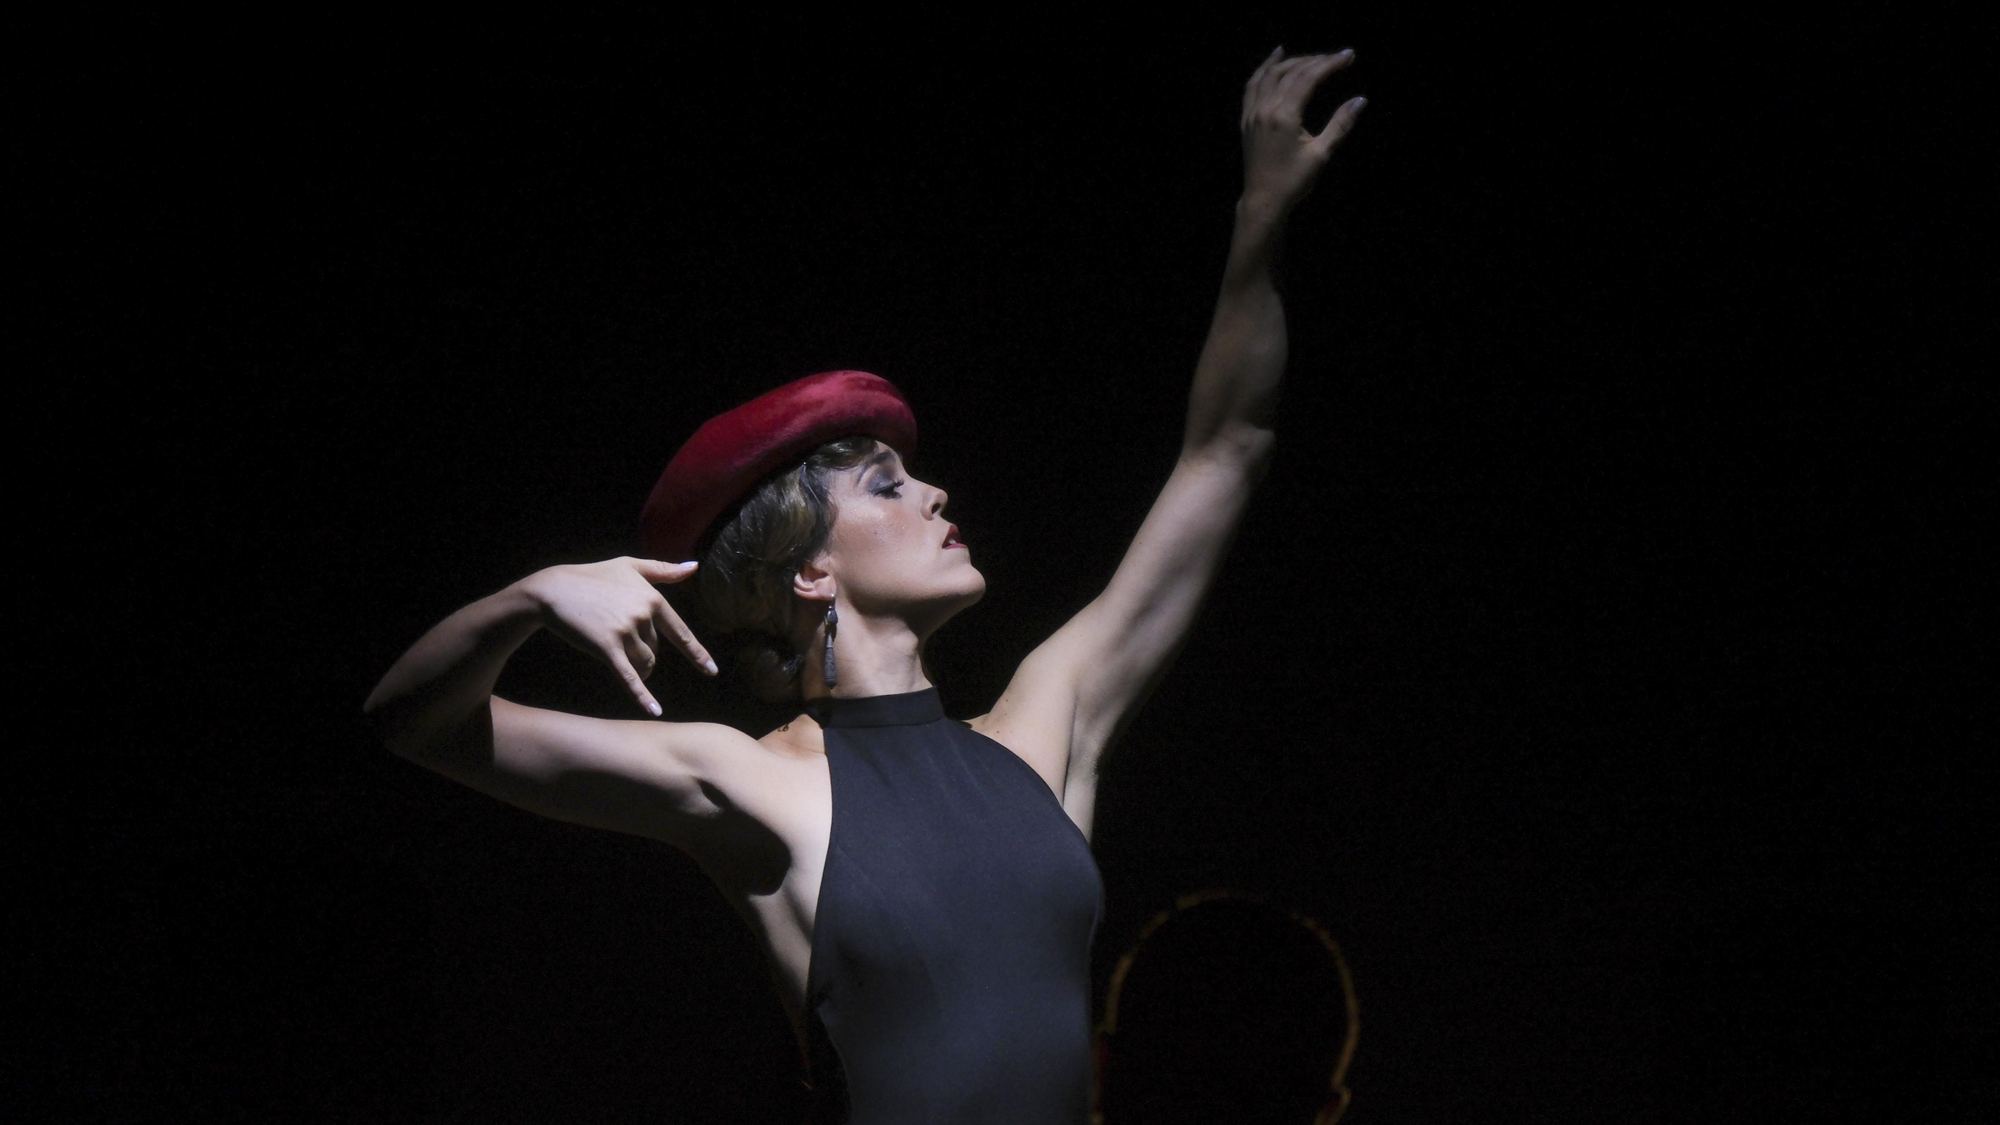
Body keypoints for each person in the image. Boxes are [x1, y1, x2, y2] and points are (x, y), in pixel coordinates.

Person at [365, 47, 1366, 1125]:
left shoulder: (1040, 725)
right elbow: (413, 723)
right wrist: (531, 598)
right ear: (809, 568)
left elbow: (1225, 452)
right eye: (888, 485)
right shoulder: (748, 783)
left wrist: (1259, 215)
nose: (935, 493)